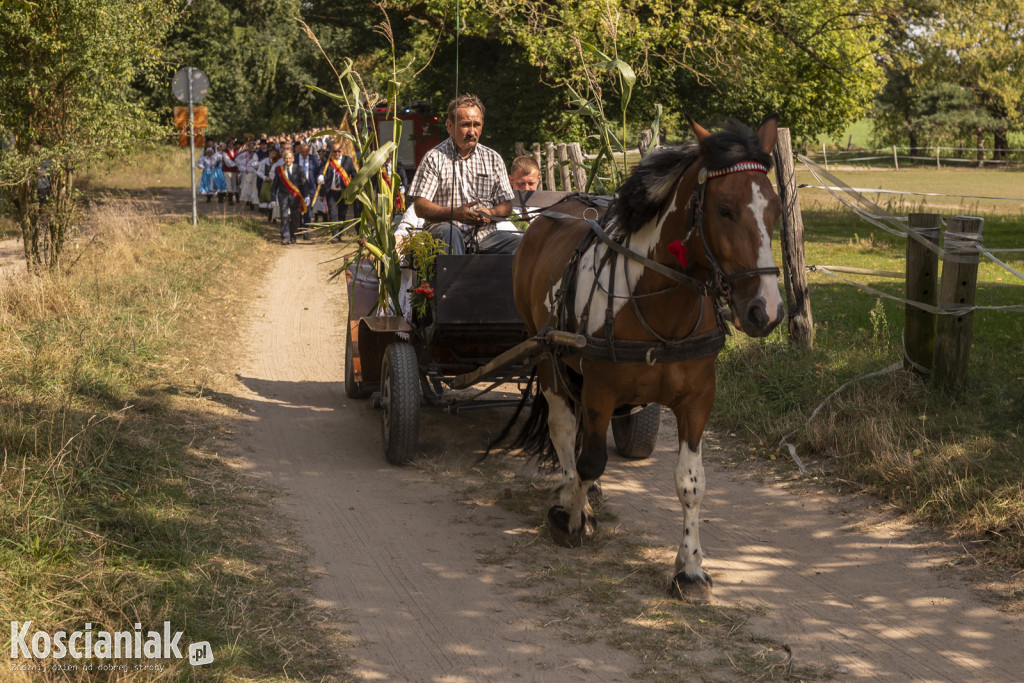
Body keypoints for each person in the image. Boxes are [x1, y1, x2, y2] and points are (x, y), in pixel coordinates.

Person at [407, 94, 517, 255]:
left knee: (521, 244)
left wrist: (491, 213)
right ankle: (455, 280)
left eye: (477, 125)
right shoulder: (434, 158)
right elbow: (420, 206)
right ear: (450, 126)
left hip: (485, 236)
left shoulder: (493, 159)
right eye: (465, 125)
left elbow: (506, 205)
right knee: (450, 233)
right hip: (444, 234)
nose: (472, 131)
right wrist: (454, 213)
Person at [317, 142, 358, 238]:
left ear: (342, 151)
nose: (337, 154)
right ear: (331, 151)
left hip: (344, 192)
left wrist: (355, 188)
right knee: (333, 213)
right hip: (331, 192)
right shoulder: (326, 160)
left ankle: (340, 232)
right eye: (334, 151)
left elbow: (354, 174)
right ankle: (335, 235)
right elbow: (320, 170)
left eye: (339, 151)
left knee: (342, 214)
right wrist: (320, 176)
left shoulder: (347, 160)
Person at [270, 150, 308, 244]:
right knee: (284, 216)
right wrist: (273, 198)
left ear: (293, 159)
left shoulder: (298, 168)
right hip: (283, 195)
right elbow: (275, 185)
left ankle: (293, 235)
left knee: (295, 217)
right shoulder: (279, 169)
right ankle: (285, 237)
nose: (288, 160)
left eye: (290, 158)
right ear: (283, 159)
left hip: (295, 196)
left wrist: (306, 196)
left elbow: (304, 183)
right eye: (286, 158)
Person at [294, 142, 319, 232]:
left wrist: (319, 177)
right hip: (297, 187)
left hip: (310, 187)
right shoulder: (295, 158)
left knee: (308, 210)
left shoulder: (314, 159)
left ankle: (306, 230)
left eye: (307, 151)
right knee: (298, 208)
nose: (305, 153)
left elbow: (317, 172)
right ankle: (299, 227)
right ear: (300, 150)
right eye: (303, 151)